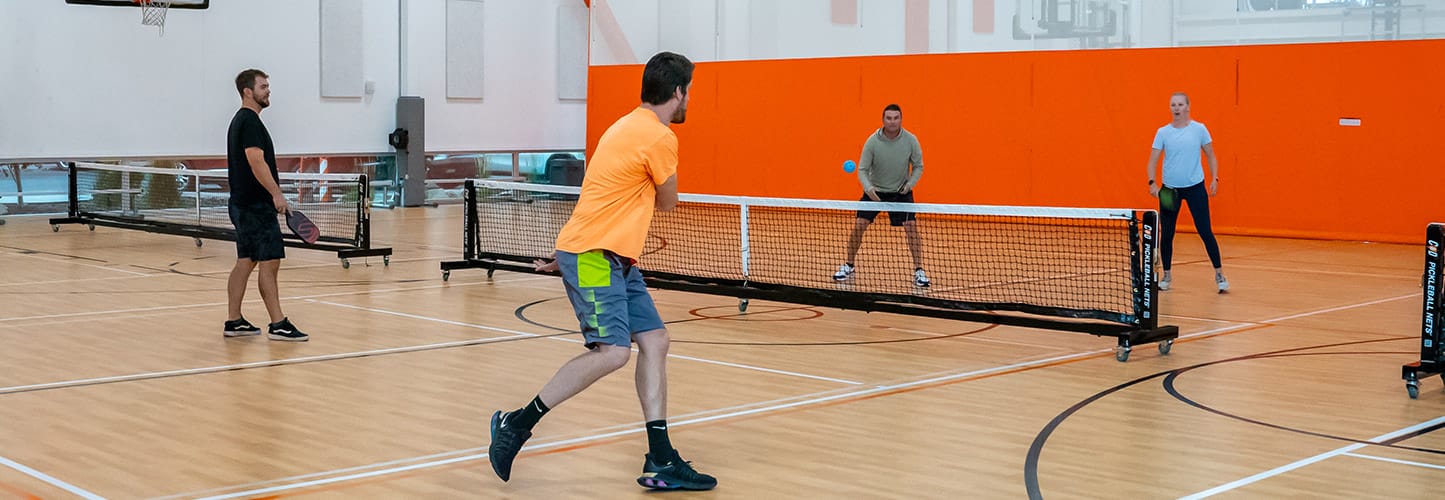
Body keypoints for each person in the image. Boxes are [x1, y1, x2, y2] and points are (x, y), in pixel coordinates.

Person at [487, 52, 716, 491]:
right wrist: (574, 254)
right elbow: (668, 202)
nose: (689, 98)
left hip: (610, 257)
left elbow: (602, 193)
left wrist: (567, 253)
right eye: (689, 91)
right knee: (612, 352)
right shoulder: (658, 137)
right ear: (678, 91)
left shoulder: (624, 125)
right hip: (595, 255)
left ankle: (660, 458)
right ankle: (516, 424)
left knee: (656, 340)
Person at [223, 69, 308, 341]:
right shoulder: (249, 122)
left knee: (245, 262)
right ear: (248, 91)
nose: (268, 90)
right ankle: (278, 323)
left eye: (268, 85)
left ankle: (234, 321)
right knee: (269, 263)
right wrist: (276, 194)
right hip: (255, 207)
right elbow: (255, 160)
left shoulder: (243, 120)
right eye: (263, 86)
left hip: (242, 204)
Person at [833, 104, 929, 288]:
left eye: (896, 118)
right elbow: (862, 169)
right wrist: (869, 189)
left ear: (901, 119)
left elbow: (918, 166)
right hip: (875, 191)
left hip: (901, 192)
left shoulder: (910, 140)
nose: (892, 122)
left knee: (911, 227)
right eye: (889, 118)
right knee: (859, 225)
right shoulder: (872, 141)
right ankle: (849, 265)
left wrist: (909, 185)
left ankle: (919, 270)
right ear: (883, 120)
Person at [1145, 92, 1228, 293]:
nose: (1176, 108)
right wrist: (1152, 183)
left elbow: (1210, 155)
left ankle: (1219, 274)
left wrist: (1214, 178)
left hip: (1195, 188)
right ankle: (1166, 275)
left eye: (1180, 104)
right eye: (1173, 104)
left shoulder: (1199, 129)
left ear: (1188, 106)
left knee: (1205, 231)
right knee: (1167, 234)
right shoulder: (1163, 132)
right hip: (1169, 191)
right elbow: (1153, 160)